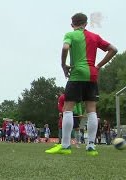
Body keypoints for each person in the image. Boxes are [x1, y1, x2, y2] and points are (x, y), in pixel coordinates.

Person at [46, 13, 117, 156]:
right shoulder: (95, 37)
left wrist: (63, 65)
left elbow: (65, 48)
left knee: (67, 109)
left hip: (77, 74)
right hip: (92, 74)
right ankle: (91, 147)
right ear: (85, 24)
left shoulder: (70, 35)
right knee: (91, 110)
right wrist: (98, 66)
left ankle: (65, 146)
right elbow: (114, 49)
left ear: (72, 25)